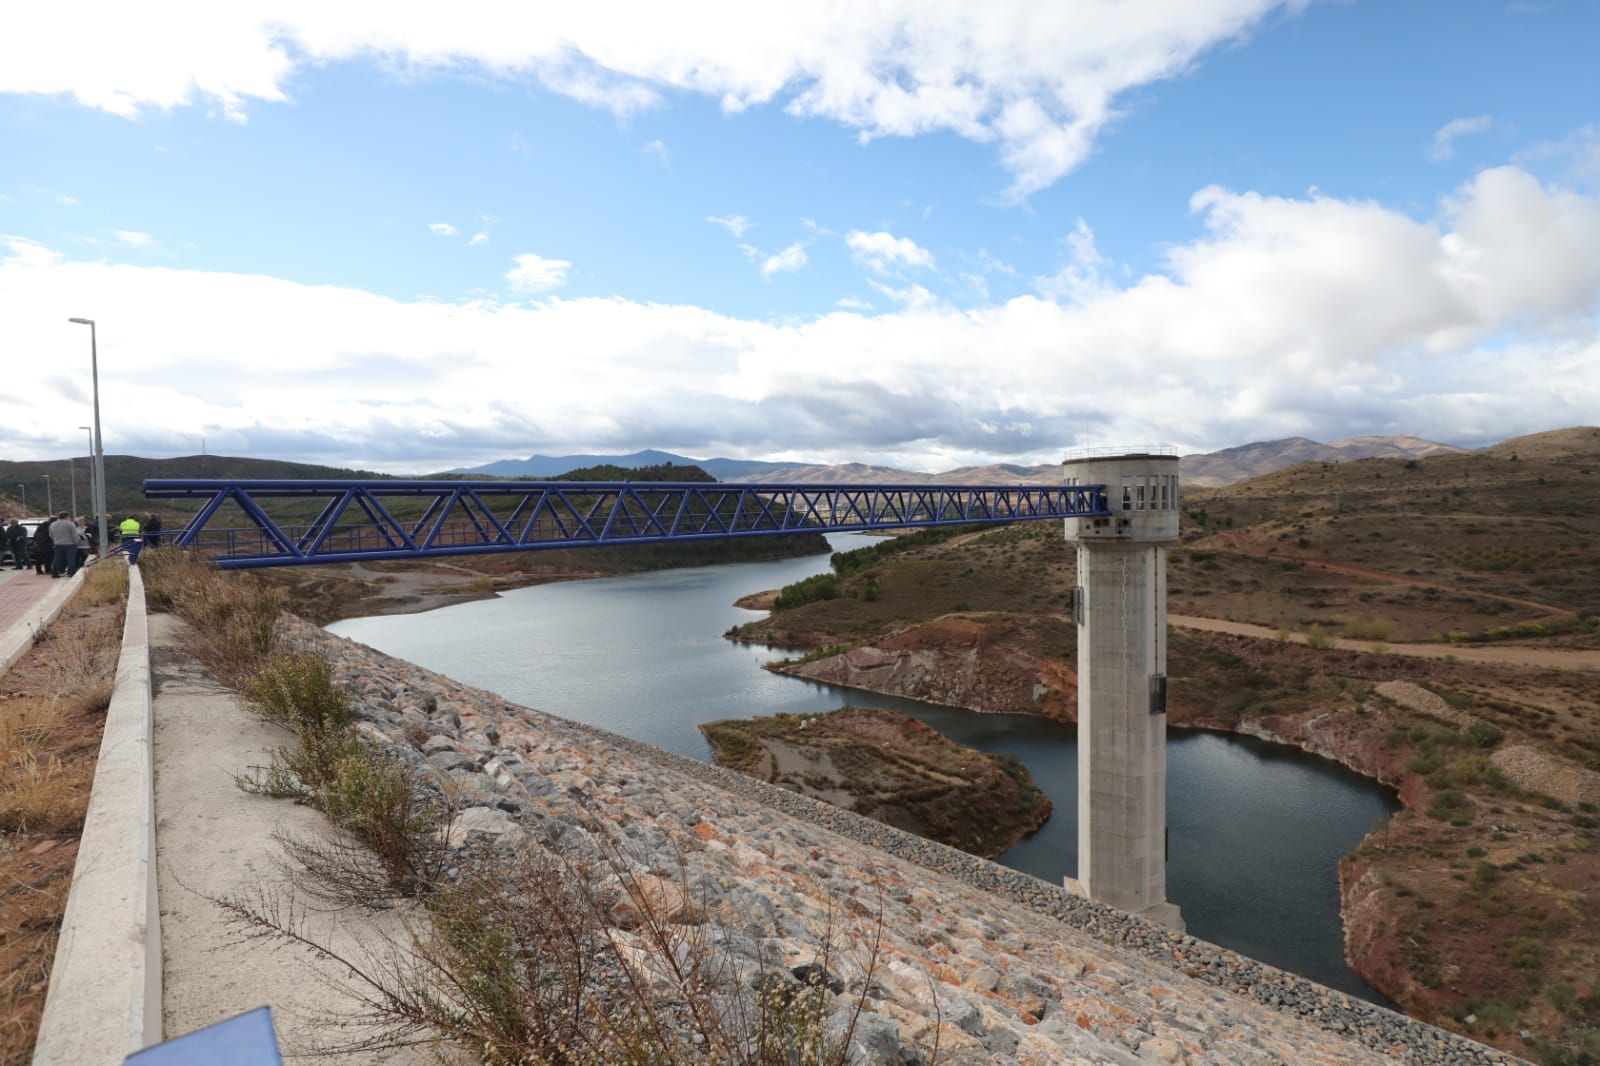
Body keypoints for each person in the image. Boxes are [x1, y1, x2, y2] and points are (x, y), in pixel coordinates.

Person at [49, 511, 79, 578]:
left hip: (58, 544)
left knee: (57, 560)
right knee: (70, 559)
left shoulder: (53, 524)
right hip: (70, 544)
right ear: (67, 516)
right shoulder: (70, 524)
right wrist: (76, 542)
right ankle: (71, 573)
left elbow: (51, 535)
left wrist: (55, 541)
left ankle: (54, 573)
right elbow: (74, 535)